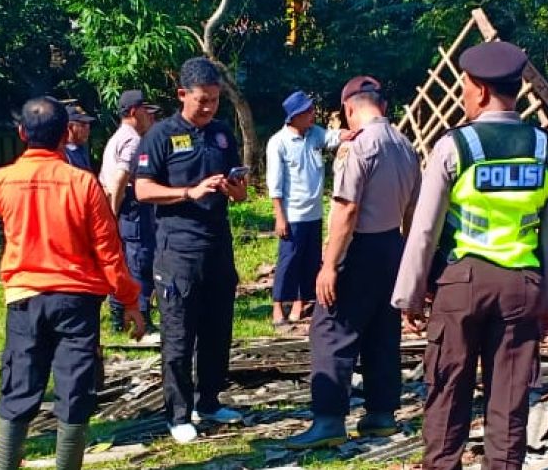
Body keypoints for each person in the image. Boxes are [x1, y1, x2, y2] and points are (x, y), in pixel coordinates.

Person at [391, 42, 548, 470]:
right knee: (509, 385)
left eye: (467, 88)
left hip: (462, 282)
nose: (464, 96)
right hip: (523, 286)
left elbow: (425, 227)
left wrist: (409, 294)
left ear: (484, 91)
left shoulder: (455, 147)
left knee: (449, 379)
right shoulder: (547, 151)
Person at [0, 96, 144, 470]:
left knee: (19, 383)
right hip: (76, 300)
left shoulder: (0, 181)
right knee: (74, 386)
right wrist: (130, 301)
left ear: (22, 133)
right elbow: (109, 252)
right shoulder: (82, 184)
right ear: (65, 134)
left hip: (24, 296)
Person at [286, 76, 420, 449]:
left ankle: (328, 420)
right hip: (392, 245)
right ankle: (381, 414)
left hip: (358, 248)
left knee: (331, 328)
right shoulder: (405, 145)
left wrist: (329, 264)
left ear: (348, 108)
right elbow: (413, 209)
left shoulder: (359, 147)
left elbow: (347, 207)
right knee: (382, 330)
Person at [134, 57, 248, 444]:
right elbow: (142, 189)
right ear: (182, 94)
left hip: (217, 246)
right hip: (178, 249)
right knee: (180, 335)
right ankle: (178, 413)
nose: (209, 107)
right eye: (202, 100)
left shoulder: (221, 134)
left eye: (215, 100)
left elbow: (243, 190)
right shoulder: (161, 135)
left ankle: (210, 401)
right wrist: (188, 192)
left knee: (218, 330)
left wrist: (235, 189)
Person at [265, 91, 344, 330]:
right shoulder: (279, 142)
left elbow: (334, 137)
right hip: (293, 213)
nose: (312, 115)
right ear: (295, 117)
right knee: (289, 260)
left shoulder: (314, 135)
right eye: (308, 112)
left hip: (314, 212)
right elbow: (275, 184)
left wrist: (350, 135)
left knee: (310, 260)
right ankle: (278, 306)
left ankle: (301, 303)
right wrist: (280, 217)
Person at [100, 89, 160, 334]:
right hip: (131, 207)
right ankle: (141, 319)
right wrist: (112, 215)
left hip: (122, 206)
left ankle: (119, 316)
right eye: (146, 109)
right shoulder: (133, 140)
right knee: (140, 260)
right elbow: (120, 178)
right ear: (135, 111)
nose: (149, 114)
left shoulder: (118, 136)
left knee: (125, 261)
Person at [63, 103, 95, 172]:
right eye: (83, 125)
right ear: (70, 127)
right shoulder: (63, 154)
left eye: (88, 124)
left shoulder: (82, 148)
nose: (87, 129)